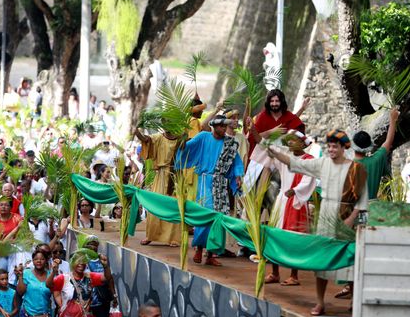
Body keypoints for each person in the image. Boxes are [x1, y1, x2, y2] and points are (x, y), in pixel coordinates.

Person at [268, 129, 368, 316]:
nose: (330, 149)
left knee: (349, 260)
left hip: (346, 215)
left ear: (343, 148)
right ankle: (320, 302)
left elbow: (362, 200)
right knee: (322, 260)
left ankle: (354, 301)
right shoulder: (322, 163)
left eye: (334, 146)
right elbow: (297, 163)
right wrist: (276, 154)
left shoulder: (356, 169)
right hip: (326, 216)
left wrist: (350, 219)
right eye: (329, 146)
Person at [250, 127, 316, 286]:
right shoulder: (284, 156)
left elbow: (309, 179)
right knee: (276, 235)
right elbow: (264, 145)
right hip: (282, 201)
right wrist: (253, 129)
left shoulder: (309, 159)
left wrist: (296, 190)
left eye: (293, 140)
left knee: (295, 239)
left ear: (302, 143)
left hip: (297, 203)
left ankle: (294, 275)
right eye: (289, 140)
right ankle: (275, 273)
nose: (290, 143)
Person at [176, 115, 244, 266]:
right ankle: (199, 249)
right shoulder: (203, 137)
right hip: (205, 182)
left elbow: (237, 162)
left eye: (224, 126)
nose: (223, 129)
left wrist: (238, 176)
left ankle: (211, 254)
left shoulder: (230, 144)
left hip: (220, 183)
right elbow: (188, 147)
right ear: (214, 126)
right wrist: (181, 142)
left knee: (219, 217)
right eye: (220, 126)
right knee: (205, 214)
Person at [135, 128, 180, 247]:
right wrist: (136, 131)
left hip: (175, 175)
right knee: (156, 205)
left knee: (173, 206)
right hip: (161, 175)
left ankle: (172, 238)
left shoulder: (181, 138)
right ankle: (151, 235)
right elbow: (145, 139)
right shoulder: (159, 137)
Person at [47, 250, 111, 317]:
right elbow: (48, 285)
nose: (81, 264)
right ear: (73, 263)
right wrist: (53, 272)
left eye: (83, 261)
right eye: (78, 261)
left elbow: (106, 278)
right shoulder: (64, 278)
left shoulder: (89, 276)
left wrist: (105, 266)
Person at [352, 108, 399, 200]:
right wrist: (393, 120)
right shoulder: (376, 160)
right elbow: (388, 142)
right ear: (369, 146)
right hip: (373, 208)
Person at [82, 236, 117, 317]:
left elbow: (110, 279)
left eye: (95, 245)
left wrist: (114, 295)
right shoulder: (81, 260)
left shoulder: (102, 260)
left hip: (102, 300)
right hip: (86, 302)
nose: (93, 247)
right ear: (85, 246)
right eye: (90, 244)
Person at [16, 249, 52, 317]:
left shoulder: (50, 275)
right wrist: (20, 276)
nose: (39, 261)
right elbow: (20, 292)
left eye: (42, 259)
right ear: (33, 260)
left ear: (46, 260)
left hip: (45, 316)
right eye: (36, 259)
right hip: (27, 314)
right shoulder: (26, 273)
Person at [0, 198, 23, 270]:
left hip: (15, 252)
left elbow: (22, 236)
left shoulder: (17, 218)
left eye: (6, 205)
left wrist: (11, 241)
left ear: (11, 207)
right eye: (1, 205)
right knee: (1, 271)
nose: (3, 207)